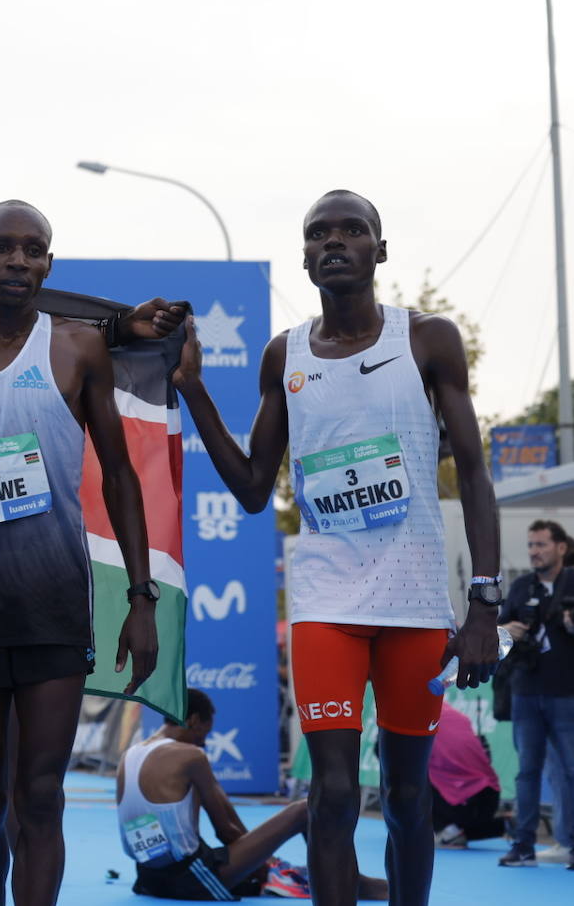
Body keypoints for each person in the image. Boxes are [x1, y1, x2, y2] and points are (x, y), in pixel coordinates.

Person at [173, 190, 501, 905]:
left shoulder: (426, 340)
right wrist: (195, 393)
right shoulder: (283, 356)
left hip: (414, 603)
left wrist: (484, 602)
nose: (335, 242)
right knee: (334, 791)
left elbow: (474, 472)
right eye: (319, 232)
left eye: (353, 231)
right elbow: (256, 488)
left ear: (379, 251)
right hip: (327, 602)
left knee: (411, 797)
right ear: (304, 255)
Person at [0, 200, 170, 906]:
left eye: (34, 249)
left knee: (39, 797)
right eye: (3, 246)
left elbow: (119, 476)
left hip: (52, 605)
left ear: (49, 263)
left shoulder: (78, 347)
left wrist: (142, 599)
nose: (19, 260)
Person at [118, 689, 386, 901]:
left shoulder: (130, 755)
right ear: (193, 720)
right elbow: (227, 830)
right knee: (306, 809)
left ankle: (327, 878)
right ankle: (354, 883)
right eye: (204, 734)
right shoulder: (191, 755)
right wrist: (263, 866)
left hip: (147, 879)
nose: (204, 742)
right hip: (189, 880)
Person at [496, 519, 574, 868]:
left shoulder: (572, 581)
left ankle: (570, 844)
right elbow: (498, 634)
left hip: (566, 692)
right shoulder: (521, 586)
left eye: (541, 544)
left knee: (571, 770)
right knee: (526, 771)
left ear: (561, 547)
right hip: (525, 690)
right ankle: (522, 846)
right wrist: (506, 631)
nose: (534, 551)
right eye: (530, 545)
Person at [428, 701, 505, 849]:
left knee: (405, 781)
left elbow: (385, 754)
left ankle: (449, 832)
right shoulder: (457, 716)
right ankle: (500, 826)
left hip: (462, 803)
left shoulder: (417, 719)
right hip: (490, 797)